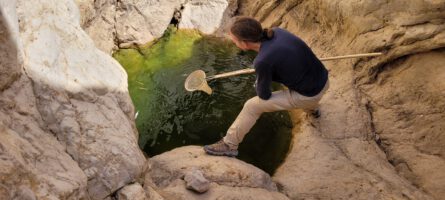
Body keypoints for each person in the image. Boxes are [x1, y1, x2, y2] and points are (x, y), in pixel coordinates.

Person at [204, 16, 329, 157]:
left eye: (234, 41)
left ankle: (229, 144)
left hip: (310, 95)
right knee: (294, 79)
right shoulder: (278, 32)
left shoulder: (262, 61)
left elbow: (264, 95)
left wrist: (259, 76)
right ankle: (313, 110)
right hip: (323, 79)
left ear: (244, 44)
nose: (233, 43)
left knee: (251, 106)